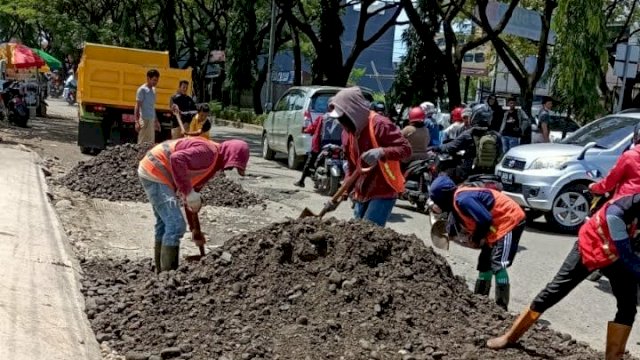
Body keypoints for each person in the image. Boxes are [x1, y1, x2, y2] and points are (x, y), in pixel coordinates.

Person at [486, 193, 640, 359]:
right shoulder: (618, 212)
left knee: (628, 305)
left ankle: (614, 357)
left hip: (619, 254)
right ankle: (511, 336)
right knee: (556, 289)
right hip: (590, 246)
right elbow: (628, 257)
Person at [137, 137, 250, 272]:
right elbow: (176, 159)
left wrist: (195, 229)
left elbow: (190, 200)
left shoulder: (212, 166)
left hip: (154, 169)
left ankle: (160, 272)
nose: (229, 169)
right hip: (156, 169)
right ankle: (167, 277)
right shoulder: (208, 153)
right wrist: (189, 192)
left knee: (165, 224)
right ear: (228, 154)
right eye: (232, 165)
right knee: (175, 225)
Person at [429, 175, 526, 310]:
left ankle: (501, 308)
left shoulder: (463, 199)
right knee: (484, 264)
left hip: (509, 221)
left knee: (498, 264)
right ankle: (480, 302)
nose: (437, 205)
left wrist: (476, 237)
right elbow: (454, 221)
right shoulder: (455, 202)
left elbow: (485, 220)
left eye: (437, 201)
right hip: (493, 227)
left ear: (442, 197)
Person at [328, 87, 411, 227]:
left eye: (343, 118)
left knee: (369, 233)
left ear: (353, 111)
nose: (341, 123)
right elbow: (352, 167)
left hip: (383, 189)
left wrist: (381, 152)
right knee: (357, 234)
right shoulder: (347, 134)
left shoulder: (380, 125)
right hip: (362, 191)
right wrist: (342, 193)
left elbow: (406, 150)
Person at [429, 103, 502, 178]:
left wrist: (436, 148)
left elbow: (451, 147)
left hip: (468, 172)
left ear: (474, 116)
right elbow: (500, 155)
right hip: (490, 174)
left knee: (441, 181)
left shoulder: (469, 134)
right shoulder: (496, 135)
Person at [294, 107, 343, 188]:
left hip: (321, 146)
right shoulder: (342, 119)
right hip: (338, 146)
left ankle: (301, 181)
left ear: (329, 108)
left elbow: (312, 127)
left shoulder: (322, 118)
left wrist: (306, 130)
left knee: (309, 162)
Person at [589, 125, 640, 198]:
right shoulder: (630, 152)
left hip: (626, 200)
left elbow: (609, 182)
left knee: (604, 209)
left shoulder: (630, 155)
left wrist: (593, 187)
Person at [135, 69, 160, 144]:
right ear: (148, 78)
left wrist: (156, 121)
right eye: (154, 80)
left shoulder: (153, 90)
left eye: (157, 80)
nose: (155, 82)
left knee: (150, 143)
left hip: (151, 120)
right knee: (142, 143)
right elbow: (137, 106)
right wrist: (136, 121)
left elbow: (152, 107)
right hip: (144, 119)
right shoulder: (142, 90)